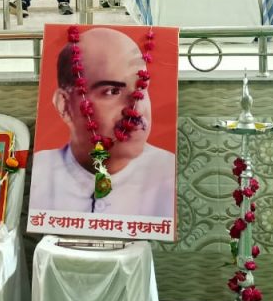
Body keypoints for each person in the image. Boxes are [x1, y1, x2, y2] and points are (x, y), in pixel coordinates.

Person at [29, 27, 175, 217]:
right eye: (112, 91)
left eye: (141, 88)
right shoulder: (41, 174)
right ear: (65, 105)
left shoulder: (167, 173)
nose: (136, 109)